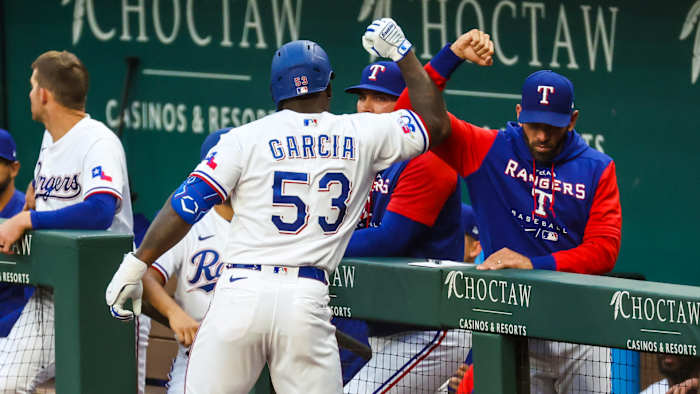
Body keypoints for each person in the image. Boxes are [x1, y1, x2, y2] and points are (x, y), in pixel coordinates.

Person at [106, 18, 452, 393]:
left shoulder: (244, 138)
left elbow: (186, 205)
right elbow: (434, 123)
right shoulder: (363, 132)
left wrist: (136, 261)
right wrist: (403, 54)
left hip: (240, 292)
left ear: (275, 89)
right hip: (306, 301)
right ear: (329, 86)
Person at [387, 29, 622, 393]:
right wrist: (450, 57)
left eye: (553, 127)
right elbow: (406, 118)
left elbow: (605, 250)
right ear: (518, 113)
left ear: (572, 121)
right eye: (534, 125)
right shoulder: (489, 149)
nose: (542, 136)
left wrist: (535, 264)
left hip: (579, 328)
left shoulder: (597, 167)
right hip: (512, 327)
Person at [0, 50, 136, 393]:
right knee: (7, 383)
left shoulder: (98, 141)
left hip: (104, 294)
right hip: (51, 292)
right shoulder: (51, 139)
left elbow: (100, 210)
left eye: (33, 87)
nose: (30, 94)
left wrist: (28, 218)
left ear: (44, 94)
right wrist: (37, 200)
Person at [339, 59, 469, 393]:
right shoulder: (363, 156)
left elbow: (390, 239)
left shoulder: (429, 158)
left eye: (380, 98)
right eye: (362, 97)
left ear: (408, 106)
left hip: (432, 324)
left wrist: (313, 244)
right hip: (385, 323)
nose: (366, 107)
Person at [142, 128, 233, 393]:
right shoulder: (190, 222)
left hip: (256, 358)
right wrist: (174, 312)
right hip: (199, 356)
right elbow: (145, 274)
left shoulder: (265, 222)